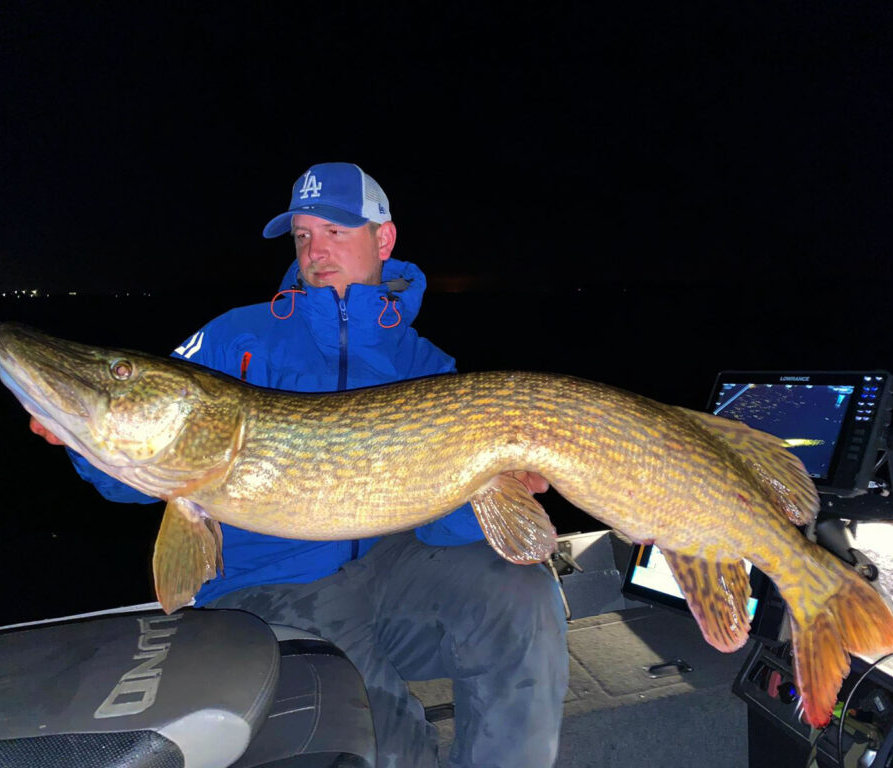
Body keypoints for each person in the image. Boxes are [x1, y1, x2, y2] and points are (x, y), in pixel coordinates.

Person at [31, 162, 569, 768]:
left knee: (521, 592)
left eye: (335, 231)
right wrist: (86, 440)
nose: (316, 249)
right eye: (303, 235)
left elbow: (437, 525)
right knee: (384, 745)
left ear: (383, 239)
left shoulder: (422, 361)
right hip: (276, 590)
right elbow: (136, 474)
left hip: (389, 570)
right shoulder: (236, 337)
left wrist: (498, 490)